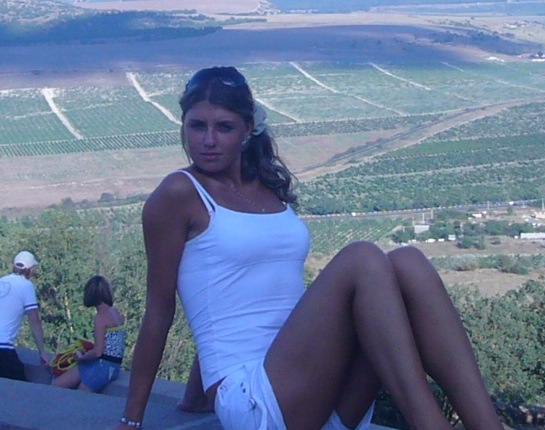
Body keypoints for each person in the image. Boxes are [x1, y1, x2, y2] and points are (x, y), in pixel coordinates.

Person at [113, 66, 503, 430]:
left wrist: (193, 396)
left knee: (408, 262)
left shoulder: (266, 187)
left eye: (224, 127)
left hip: (316, 387)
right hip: (256, 400)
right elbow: (160, 312)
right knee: (362, 258)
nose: (208, 140)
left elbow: (243, 289)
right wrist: (132, 419)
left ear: (247, 130)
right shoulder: (179, 194)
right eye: (197, 126)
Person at [53, 275, 126, 392]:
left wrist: (81, 357)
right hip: (112, 365)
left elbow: (97, 352)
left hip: (103, 366)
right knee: (59, 384)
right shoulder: (116, 312)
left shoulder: (100, 318)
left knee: (79, 394)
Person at [0, 250, 49, 381]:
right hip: (3, 348)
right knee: (19, 386)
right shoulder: (27, 286)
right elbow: (34, 320)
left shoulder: (2, 281)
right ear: (30, 270)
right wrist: (42, 352)